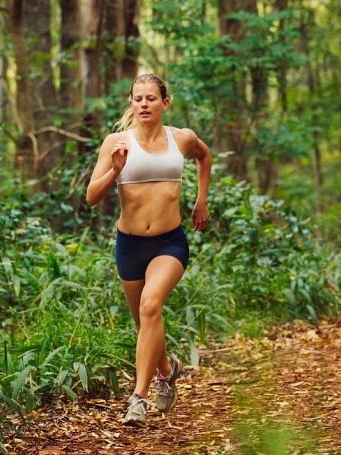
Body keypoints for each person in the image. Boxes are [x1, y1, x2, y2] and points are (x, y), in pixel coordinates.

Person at [86, 74, 212, 427]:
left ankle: (138, 399)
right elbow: (91, 197)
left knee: (150, 305)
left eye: (151, 98)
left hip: (169, 242)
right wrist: (115, 170)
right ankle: (167, 370)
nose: (144, 104)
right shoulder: (116, 143)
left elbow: (206, 157)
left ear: (164, 103)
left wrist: (201, 200)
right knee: (143, 321)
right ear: (131, 103)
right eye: (137, 98)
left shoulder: (181, 139)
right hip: (129, 245)